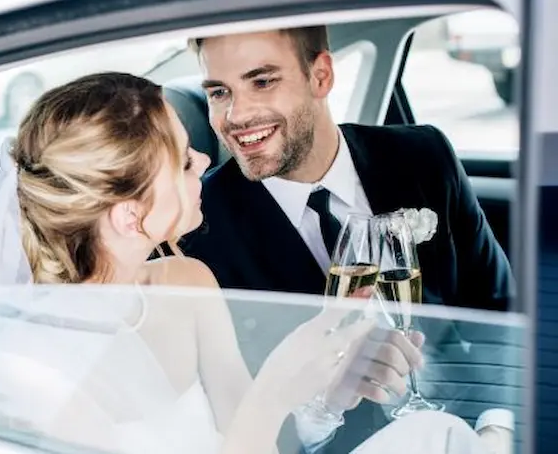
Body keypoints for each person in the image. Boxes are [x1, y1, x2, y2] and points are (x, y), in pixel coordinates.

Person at [0, 72, 493, 454]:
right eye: (180, 161)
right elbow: (257, 415)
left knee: (433, 433)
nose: (205, 159)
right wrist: (275, 387)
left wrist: (328, 393)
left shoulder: (188, 281)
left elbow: (253, 441)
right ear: (130, 218)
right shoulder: (26, 380)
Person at [179, 27, 516, 452]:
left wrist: (496, 428)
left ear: (321, 77)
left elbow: (501, 311)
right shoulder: (197, 226)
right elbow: (238, 425)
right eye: (219, 93)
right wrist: (320, 411)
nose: (236, 115)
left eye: (262, 82)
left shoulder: (423, 156)